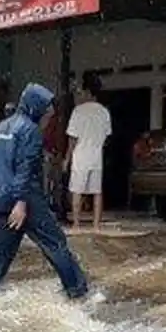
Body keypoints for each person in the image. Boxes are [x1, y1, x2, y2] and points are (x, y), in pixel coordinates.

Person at [0, 83, 88, 299]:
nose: (47, 120)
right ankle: (77, 291)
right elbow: (25, 169)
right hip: (24, 199)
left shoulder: (2, 126)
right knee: (55, 243)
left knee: (1, 249)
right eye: (46, 115)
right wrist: (20, 202)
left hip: (1, 197)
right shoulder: (30, 131)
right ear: (36, 109)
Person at [65, 71, 112, 231]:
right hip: (96, 157)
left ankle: (76, 224)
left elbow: (72, 138)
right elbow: (106, 136)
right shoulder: (104, 112)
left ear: (87, 91)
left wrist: (67, 158)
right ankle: (96, 225)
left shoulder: (78, 111)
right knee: (97, 192)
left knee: (77, 191)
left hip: (80, 156)